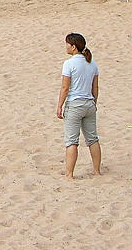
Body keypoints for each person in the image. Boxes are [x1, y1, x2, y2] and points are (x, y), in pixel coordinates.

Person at [56, 32, 102, 179]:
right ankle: (97, 170)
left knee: (72, 141)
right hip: (89, 104)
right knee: (92, 139)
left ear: (73, 47)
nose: (66, 47)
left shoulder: (69, 64)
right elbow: (95, 87)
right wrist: (94, 102)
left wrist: (59, 105)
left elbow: (65, 88)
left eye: (67, 44)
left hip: (74, 105)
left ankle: (69, 174)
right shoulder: (92, 63)